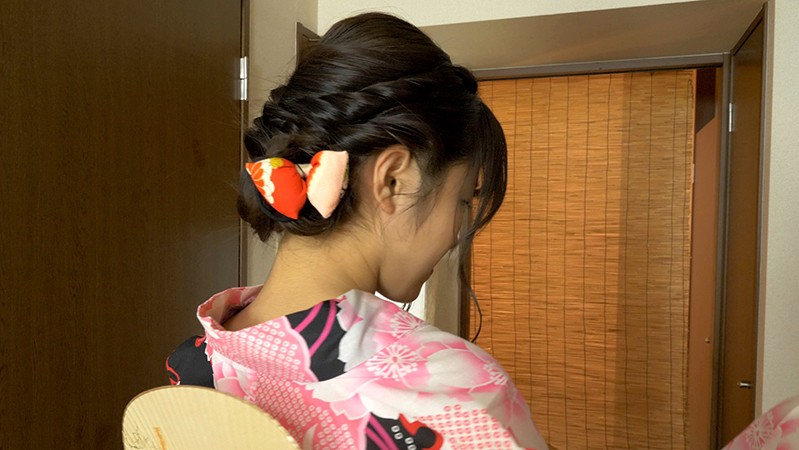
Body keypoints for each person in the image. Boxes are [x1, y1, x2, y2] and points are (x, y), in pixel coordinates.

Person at [167, 12, 548, 450]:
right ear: (392, 180)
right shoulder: (454, 391)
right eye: (463, 200)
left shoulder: (194, 364)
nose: (457, 233)